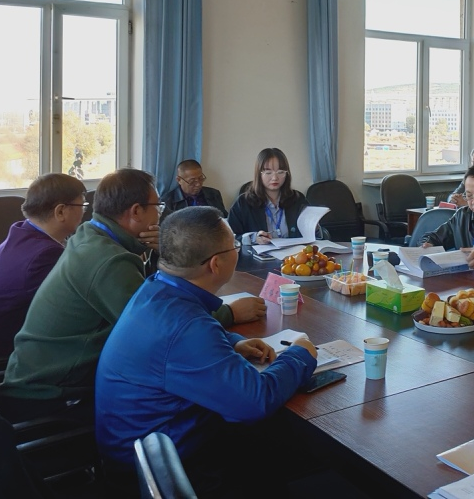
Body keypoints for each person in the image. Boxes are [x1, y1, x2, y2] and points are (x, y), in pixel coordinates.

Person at [0, 168, 265, 420]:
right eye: (157, 207)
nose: (160, 215)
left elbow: (153, 294)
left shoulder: (90, 234)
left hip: (42, 377)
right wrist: (229, 314)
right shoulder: (109, 261)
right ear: (136, 211)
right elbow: (161, 326)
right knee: (212, 404)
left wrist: (153, 250)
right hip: (52, 396)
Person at [95, 207, 317, 496]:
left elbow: (180, 342)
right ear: (216, 264)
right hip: (164, 473)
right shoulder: (188, 328)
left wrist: (231, 341)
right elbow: (254, 402)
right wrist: (300, 355)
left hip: (137, 449)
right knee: (273, 441)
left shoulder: (155, 288)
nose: (237, 249)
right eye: (234, 245)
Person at [0, 174, 87, 360]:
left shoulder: (21, 233)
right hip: (7, 361)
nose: (84, 213)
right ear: (60, 212)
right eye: (82, 206)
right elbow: (75, 310)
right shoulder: (45, 255)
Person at [228, 148, 313, 245]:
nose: (275, 178)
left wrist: (314, 228)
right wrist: (253, 238)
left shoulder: (297, 199)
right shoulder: (243, 203)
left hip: (295, 254)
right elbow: (229, 238)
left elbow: (316, 235)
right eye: (268, 173)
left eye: (280, 172)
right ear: (259, 174)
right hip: (258, 254)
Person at [161, 158, 227, 217]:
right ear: (179, 180)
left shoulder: (214, 194)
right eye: (192, 181)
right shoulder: (168, 201)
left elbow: (223, 218)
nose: (198, 184)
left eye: (200, 179)